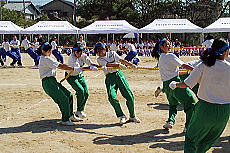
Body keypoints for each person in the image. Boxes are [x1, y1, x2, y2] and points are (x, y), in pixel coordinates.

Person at [169, 39, 230, 153]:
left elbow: (186, 84)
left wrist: (174, 84)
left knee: (191, 139)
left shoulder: (204, 65)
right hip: (225, 112)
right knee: (207, 142)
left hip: (205, 109)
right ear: (225, 52)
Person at [152, 39, 196, 132]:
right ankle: (188, 126)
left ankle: (170, 121)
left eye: (169, 44)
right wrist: (195, 70)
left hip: (166, 85)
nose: (170, 46)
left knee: (172, 104)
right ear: (161, 47)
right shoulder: (170, 55)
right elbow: (183, 65)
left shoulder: (161, 57)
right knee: (190, 103)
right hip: (175, 83)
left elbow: (173, 71)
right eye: (167, 45)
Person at [94, 42, 140, 125]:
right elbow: (108, 65)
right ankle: (121, 115)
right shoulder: (99, 59)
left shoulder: (112, 53)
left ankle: (132, 116)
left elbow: (121, 60)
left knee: (129, 95)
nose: (98, 53)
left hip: (118, 74)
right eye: (97, 51)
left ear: (104, 49)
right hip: (110, 77)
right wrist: (118, 65)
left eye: (99, 50)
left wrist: (131, 65)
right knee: (111, 97)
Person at [38, 42, 81, 126]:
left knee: (69, 95)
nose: (49, 52)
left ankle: (70, 115)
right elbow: (61, 66)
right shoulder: (46, 59)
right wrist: (74, 68)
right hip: (48, 82)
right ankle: (65, 119)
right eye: (48, 50)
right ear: (43, 51)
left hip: (52, 81)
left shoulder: (48, 58)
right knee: (63, 99)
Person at [66, 43, 99, 119]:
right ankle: (79, 110)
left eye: (81, 51)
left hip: (80, 75)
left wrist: (96, 66)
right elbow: (79, 68)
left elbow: (90, 63)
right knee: (80, 91)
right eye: (77, 52)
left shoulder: (83, 55)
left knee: (86, 93)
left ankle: (80, 110)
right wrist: (90, 68)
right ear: (73, 52)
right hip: (71, 76)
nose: (79, 53)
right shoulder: (71, 58)